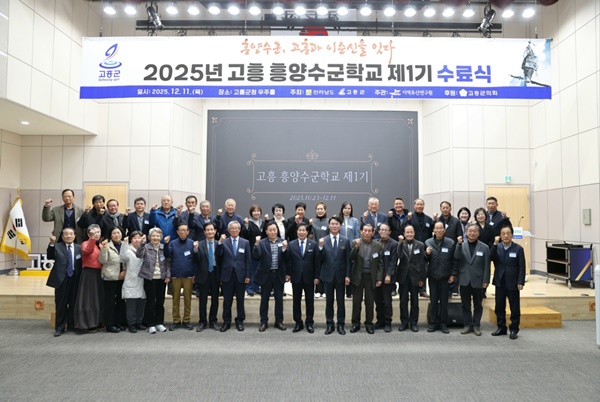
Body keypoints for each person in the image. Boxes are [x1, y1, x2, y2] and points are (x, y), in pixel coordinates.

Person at [451, 223, 491, 336]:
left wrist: (486, 280)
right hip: (464, 279)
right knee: (465, 305)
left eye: (474, 231)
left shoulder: (484, 247)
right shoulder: (461, 245)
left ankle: (476, 325)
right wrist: (459, 244)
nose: (472, 233)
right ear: (466, 233)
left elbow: (487, 265)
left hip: (478, 280)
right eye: (470, 231)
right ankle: (467, 324)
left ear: (478, 233)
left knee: (478, 305)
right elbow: (457, 257)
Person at [490, 226, 526, 340]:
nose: (506, 236)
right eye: (503, 234)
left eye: (508, 233)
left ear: (512, 235)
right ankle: (501, 327)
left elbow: (522, 267)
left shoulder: (518, 249)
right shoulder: (497, 247)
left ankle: (514, 329)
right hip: (500, 281)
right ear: (500, 235)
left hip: (513, 282)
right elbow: (490, 257)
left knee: (514, 308)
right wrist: (494, 244)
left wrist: (521, 281)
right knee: (499, 307)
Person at [253, 221, 289, 332]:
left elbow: (287, 259)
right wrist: (256, 244)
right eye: (270, 230)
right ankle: (264, 322)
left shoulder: (283, 242)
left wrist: (284, 249)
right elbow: (256, 256)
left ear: (277, 230)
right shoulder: (262, 242)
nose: (272, 232)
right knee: (264, 299)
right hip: (266, 275)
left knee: (279, 300)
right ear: (266, 231)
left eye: (274, 230)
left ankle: (279, 321)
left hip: (278, 275)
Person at [46, 228, 82, 336]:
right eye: (66, 234)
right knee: (61, 304)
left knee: (73, 303)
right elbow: (50, 255)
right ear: (62, 237)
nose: (69, 236)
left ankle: (72, 325)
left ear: (75, 236)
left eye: (71, 234)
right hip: (62, 279)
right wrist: (51, 244)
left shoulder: (79, 248)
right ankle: (60, 327)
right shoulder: (57, 247)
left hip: (75, 279)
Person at [216, 221, 251, 332]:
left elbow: (248, 260)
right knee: (227, 301)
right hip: (227, 275)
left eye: (236, 228)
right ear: (228, 230)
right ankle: (226, 322)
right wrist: (219, 243)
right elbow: (218, 255)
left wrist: (248, 275)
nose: (234, 230)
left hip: (241, 275)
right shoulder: (224, 242)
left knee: (240, 300)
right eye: (232, 228)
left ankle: (239, 321)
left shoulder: (245, 242)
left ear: (239, 230)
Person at [319, 216, 351, 335]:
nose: (334, 226)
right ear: (329, 225)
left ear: (340, 226)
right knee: (329, 302)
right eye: (332, 224)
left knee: (341, 302)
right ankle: (329, 324)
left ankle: (341, 325)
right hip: (327, 276)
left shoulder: (345, 240)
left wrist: (348, 275)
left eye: (336, 224)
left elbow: (348, 260)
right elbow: (320, 259)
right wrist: (320, 247)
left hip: (341, 276)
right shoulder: (323, 240)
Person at [286, 222, 319, 333]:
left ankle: (309, 323)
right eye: (299, 230)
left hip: (309, 277)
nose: (301, 232)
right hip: (296, 277)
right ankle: (298, 323)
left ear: (307, 232)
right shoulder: (291, 244)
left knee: (310, 301)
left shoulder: (313, 244)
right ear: (296, 232)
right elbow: (288, 261)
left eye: (303, 230)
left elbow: (316, 262)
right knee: (296, 301)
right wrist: (288, 274)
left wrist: (316, 276)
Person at [349, 224, 382, 335]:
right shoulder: (355, 242)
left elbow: (380, 263)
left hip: (371, 277)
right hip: (358, 276)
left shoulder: (377, 245)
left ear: (373, 233)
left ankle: (369, 324)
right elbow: (351, 257)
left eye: (369, 231)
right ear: (361, 232)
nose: (367, 233)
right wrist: (356, 247)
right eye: (365, 230)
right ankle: (355, 324)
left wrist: (379, 278)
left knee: (370, 302)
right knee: (356, 301)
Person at [136, 227, 170, 334]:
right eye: (153, 236)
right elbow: (139, 255)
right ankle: (150, 324)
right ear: (150, 237)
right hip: (149, 278)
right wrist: (142, 243)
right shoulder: (146, 247)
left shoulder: (164, 247)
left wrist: (168, 275)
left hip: (162, 278)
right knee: (150, 302)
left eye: (158, 236)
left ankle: (159, 323)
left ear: (161, 237)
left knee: (160, 302)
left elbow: (168, 262)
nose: (155, 238)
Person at [164, 224, 197, 331]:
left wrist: (194, 274)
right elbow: (167, 255)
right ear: (177, 232)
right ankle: (176, 321)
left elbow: (196, 261)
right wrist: (166, 244)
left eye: (184, 230)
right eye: (180, 230)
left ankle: (186, 320)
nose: (182, 232)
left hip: (188, 276)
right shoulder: (172, 243)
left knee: (188, 300)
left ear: (188, 232)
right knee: (175, 300)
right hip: (175, 275)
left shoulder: (192, 243)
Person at [425, 222, 455, 334]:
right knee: (433, 301)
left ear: (444, 230)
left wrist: (453, 274)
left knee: (444, 302)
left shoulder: (451, 243)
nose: (438, 230)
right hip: (433, 277)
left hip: (445, 277)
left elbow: (454, 260)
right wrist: (427, 254)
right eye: (436, 228)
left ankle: (443, 323)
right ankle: (433, 323)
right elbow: (424, 260)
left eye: (440, 228)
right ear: (433, 230)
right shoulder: (428, 242)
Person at [74, 224, 104, 332]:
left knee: (97, 299)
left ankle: (98, 322)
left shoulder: (100, 245)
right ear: (88, 234)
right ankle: (87, 324)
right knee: (88, 299)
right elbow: (87, 251)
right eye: (93, 232)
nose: (96, 234)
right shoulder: (85, 244)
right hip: (89, 274)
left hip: (99, 274)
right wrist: (92, 239)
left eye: (98, 232)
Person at [397, 225, 427, 333]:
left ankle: (414, 322)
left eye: (411, 232)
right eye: (407, 232)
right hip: (403, 277)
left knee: (415, 302)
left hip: (415, 276)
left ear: (414, 233)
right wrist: (400, 243)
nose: (409, 234)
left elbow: (422, 263)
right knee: (403, 301)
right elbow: (399, 255)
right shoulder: (401, 244)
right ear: (404, 234)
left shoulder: (420, 245)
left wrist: (422, 279)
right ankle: (404, 322)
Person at [99, 226, 127, 333]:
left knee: (121, 301)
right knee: (109, 302)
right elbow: (102, 261)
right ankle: (109, 324)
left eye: (118, 233)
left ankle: (119, 322)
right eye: (114, 233)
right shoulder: (106, 245)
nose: (116, 235)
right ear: (110, 235)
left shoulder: (125, 245)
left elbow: (127, 260)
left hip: (122, 277)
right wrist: (104, 249)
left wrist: (124, 271)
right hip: (110, 277)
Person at [194, 222, 220, 332]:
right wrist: (195, 250)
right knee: (202, 300)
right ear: (204, 232)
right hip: (203, 275)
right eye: (207, 230)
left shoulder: (219, 244)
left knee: (215, 299)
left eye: (211, 229)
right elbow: (196, 260)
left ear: (215, 231)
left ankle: (213, 321)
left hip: (215, 274)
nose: (210, 232)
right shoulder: (199, 244)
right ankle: (203, 322)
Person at [119, 231, 146, 333]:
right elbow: (123, 257)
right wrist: (124, 244)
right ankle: (132, 324)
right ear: (131, 239)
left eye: (139, 238)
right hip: (131, 278)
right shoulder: (128, 249)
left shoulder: (145, 248)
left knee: (141, 303)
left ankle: (139, 322)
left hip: (142, 279)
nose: (137, 240)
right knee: (131, 304)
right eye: (134, 238)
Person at [407, 198, 434, 298]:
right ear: (414, 206)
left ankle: (422, 289)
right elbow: (405, 229)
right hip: (412, 245)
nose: (419, 206)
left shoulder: (428, 219)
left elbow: (432, 232)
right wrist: (408, 219)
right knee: (412, 268)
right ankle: (411, 289)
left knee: (423, 268)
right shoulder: (410, 217)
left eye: (421, 204)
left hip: (425, 247)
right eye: (417, 204)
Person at [376, 223, 398, 332]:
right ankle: (380, 321)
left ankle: (388, 322)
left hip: (388, 278)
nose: (383, 232)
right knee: (378, 301)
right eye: (381, 230)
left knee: (387, 301)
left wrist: (389, 275)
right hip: (377, 278)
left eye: (386, 230)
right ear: (378, 231)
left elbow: (394, 261)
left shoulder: (394, 244)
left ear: (389, 232)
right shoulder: (375, 242)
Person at [241, 204, 264, 296]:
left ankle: (257, 287)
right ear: (251, 213)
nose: (256, 213)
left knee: (259, 269)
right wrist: (246, 225)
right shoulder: (248, 223)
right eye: (254, 211)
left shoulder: (263, 222)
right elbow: (245, 234)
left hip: (261, 250)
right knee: (251, 269)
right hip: (251, 249)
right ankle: (250, 288)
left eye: (258, 211)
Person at [310, 201, 328, 298]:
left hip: (326, 249)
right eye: (318, 209)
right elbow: (310, 235)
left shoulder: (329, 221)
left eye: (321, 209)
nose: (320, 211)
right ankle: (317, 289)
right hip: (315, 249)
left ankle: (325, 290)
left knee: (325, 269)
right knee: (317, 269)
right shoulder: (312, 221)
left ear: (325, 210)